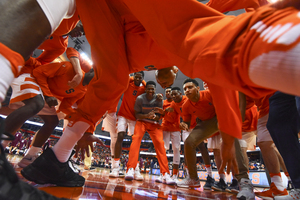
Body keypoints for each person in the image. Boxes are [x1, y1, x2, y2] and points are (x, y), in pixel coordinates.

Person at [2, 0, 300, 190]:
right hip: (135, 60)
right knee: (195, 37)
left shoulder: (175, 82)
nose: (177, 87)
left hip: (113, 21)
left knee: (115, 78)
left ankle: (56, 157)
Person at [124, 81, 175, 185]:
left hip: (154, 123)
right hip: (142, 122)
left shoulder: (158, 99)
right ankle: (131, 169)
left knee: (160, 144)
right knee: (136, 139)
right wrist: (147, 116)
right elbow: (137, 115)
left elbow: (158, 115)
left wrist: (156, 116)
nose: (150, 91)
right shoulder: (140, 99)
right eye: (149, 89)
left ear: (155, 90)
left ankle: (165, 173)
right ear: (146, 89)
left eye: (152, 89)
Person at [176, 78, 218, 189]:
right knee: (189, 143)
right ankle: (193, 179)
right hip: (206, 124)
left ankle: (241, 179)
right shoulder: (185, 106)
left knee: (232, 144)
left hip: (220, 118)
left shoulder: (209, 94)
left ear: (198, 88)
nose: (187, 90)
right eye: (185, 89)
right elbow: (187, 123)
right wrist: (183, 124)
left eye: (190, 87)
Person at [110, 71, 146, 179]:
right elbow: (125, 76)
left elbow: (147, 85)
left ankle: (135, 168)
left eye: (140, 78)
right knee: (120, 136)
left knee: (135, 142)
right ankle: (115, 167)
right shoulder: (127, 84)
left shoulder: (143, 90)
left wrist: (142, 80)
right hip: (122, 115)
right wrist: (132, 77)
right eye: (136, 77)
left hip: (134, 118)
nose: (137, 79)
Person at [161, 87, 181, 182]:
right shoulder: (162, 103)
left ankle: (175, 175)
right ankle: (163, 173)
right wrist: (165, 112)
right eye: (167, 92)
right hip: (165, 128)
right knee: (163, 150)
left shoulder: (177, 102)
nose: (168, 93)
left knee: (176, 149)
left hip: (176, 128)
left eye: (170, 91)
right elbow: (159, 114)